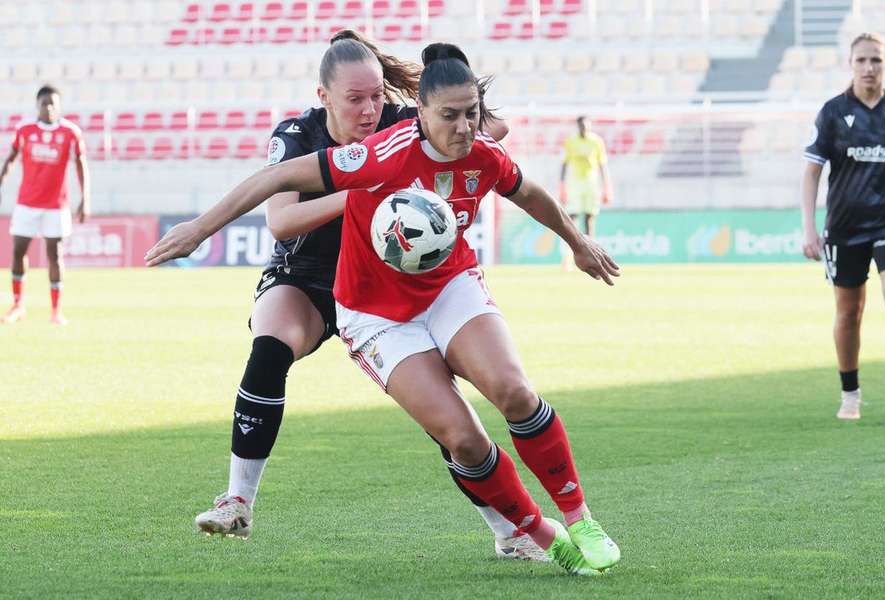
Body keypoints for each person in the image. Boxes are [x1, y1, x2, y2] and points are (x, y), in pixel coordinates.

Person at [147, 42, 621, 576]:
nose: (464, 127)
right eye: (450, 116)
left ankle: (575, 522)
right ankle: (538, 533)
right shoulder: (367, 151)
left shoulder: (464, 144)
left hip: (446, 287)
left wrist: (577, 242)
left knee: (512, 390)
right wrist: (198, 229)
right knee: (458, 435)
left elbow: (525, 186)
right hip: (357, 303)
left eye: (471, 114)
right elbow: (276, 191)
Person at [802, 32, 885, 420]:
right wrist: (809, 229)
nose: (869, 67)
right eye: (861, 60)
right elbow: (811, 174)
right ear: (850, 64)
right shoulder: (832, 112)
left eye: (876, 60)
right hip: (844, 226)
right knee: (849, 312)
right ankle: (850, 394)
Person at [0, 85, 90, 325]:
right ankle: (18, 305)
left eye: (53, 104)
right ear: (37, 106)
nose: (49, 108)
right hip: (26, 204)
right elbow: (10, 159)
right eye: (44, 104)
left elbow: (81, 165)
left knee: (55, 255)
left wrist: (85, 198)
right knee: (18, 251)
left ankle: (56, 310)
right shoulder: (25, 130)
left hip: (56, 206)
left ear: (59, 107)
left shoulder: (71, 132)